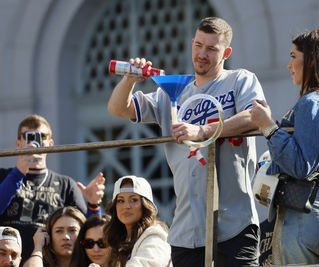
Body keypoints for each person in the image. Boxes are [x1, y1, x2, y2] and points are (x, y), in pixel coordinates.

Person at [107, 16, 264, 266]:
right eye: (198, 45)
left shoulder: (240, 79)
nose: (202, 54)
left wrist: (203, 130)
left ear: (227, 52)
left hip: (234, 225)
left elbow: (256, 116)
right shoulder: (171, 91)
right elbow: (118, 109)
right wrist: (129, 79)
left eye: (212, 48)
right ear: (192, 43)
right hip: (185, 233)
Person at [250, 27, 319, 265]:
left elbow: (302, 166)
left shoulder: (313, 103)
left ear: (310, 59)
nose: (289, 65)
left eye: (293, 56)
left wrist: (269, 128)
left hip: (305, 214)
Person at [0, 114, 105, 262]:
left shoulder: (66, 184)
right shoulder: (4, 176)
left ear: (50, 144)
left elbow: (87, 233)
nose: (36, 142)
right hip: (8, 260)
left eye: (42, 136)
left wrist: (93, 205)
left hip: (50, 263)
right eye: (29, 136)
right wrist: (18, 173)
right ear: (18, 143)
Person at [103, 176, 170, 267]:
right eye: (120, 200)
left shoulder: (155, 236)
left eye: (133, 200)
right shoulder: (121, 240)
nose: (126, 206)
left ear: (145, 204)